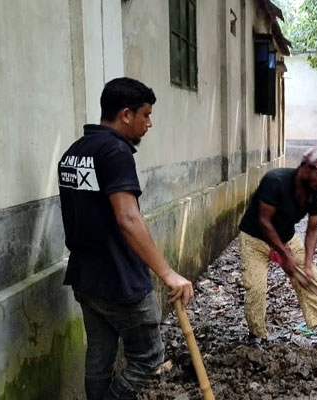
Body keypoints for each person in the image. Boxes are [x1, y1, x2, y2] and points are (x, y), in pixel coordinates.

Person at [57, 77, 194, 400]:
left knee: (99, 359)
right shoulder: (115, 152)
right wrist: (168, 273)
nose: (150, 123)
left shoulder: (73, 153)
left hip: (86, 278)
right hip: (120, 280)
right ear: (125, 114)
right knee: (148, 358)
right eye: (146, 115)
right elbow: (129, 219)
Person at [237, 148, 317, 349]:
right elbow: (264, 222)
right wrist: (284, 256)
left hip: (286, 238)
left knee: (311, 278)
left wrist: (306, 265)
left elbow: (312, 230)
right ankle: (256, 335)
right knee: (256, 286)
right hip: (255, 238)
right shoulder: (275, 181)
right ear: (306, 168)